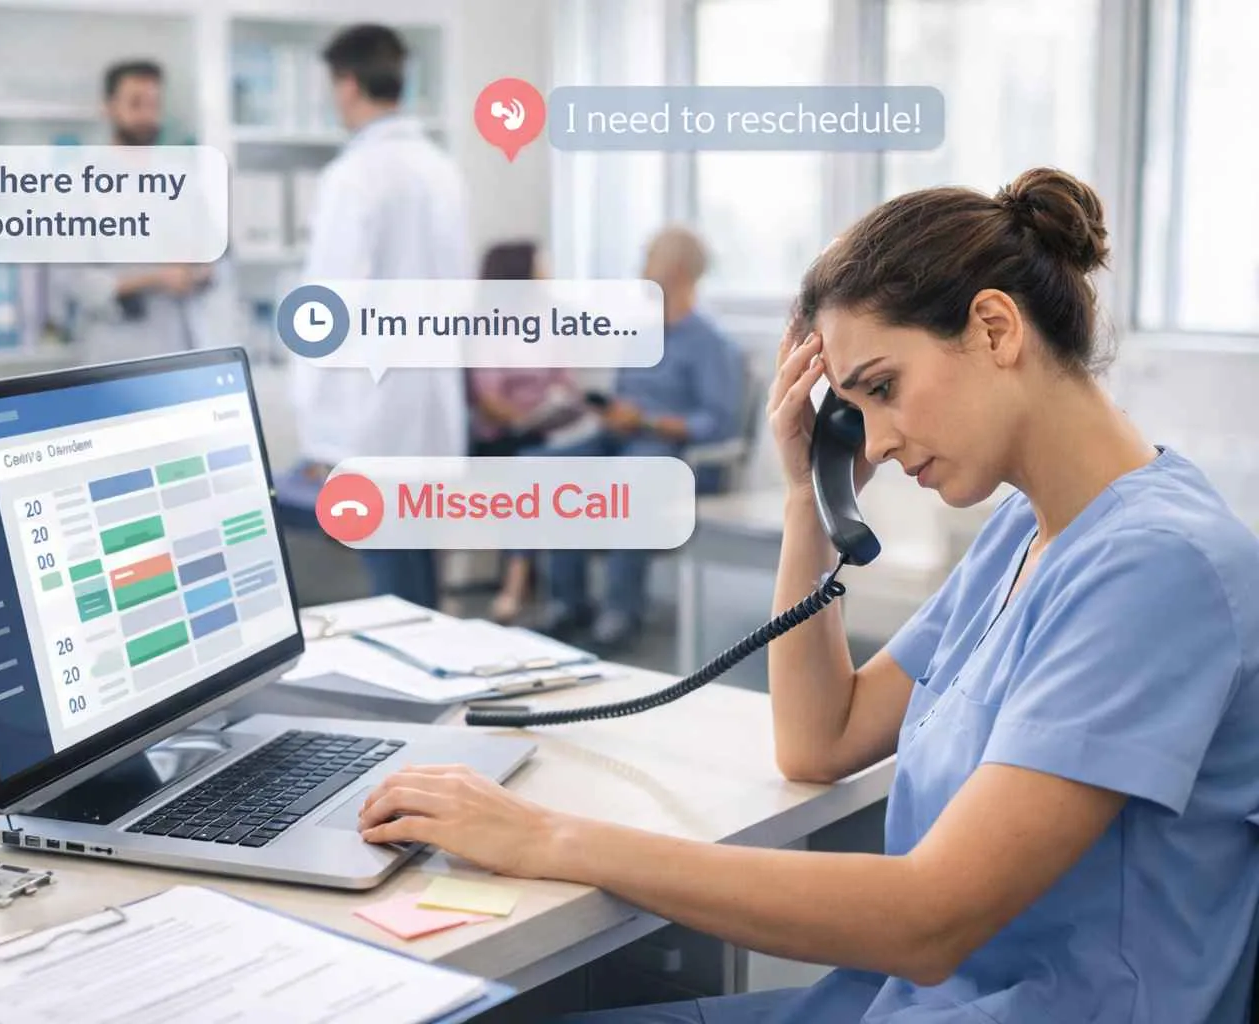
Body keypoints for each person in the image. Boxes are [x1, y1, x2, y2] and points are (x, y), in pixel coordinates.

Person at [354, 168, 1259, 1023]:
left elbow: (928, 917)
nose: (877, 439)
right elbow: (819, 739)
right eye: (851, 410)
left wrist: (547, 837)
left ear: (994, 330)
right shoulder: (1025, 534)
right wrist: (810, 500)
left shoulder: (1157, 568)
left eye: (883, 388)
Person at [284, 23, 472, 609]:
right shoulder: (441, 169)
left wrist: (314, 420)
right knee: (418, 564)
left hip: (369, 406)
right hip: (429, 398)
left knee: (385, 575)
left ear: (346, 85)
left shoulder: (353, 176)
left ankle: (414, 688)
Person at [537, 225, 745, 653]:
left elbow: (719, 424)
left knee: (631, 477)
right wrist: (610, 410)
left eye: (649, 256)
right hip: (623, 438)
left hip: (675, 455)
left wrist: (650, 421)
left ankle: (621, 612)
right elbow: (624, 396)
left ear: (677, 269)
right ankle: (568, 604)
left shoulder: (711, 343)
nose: (640, 267)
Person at [55, 59, 231, 363]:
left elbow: (216, 255)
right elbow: (72, 280)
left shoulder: (181, 178)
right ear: (108, 108)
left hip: (181, 345)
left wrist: (199, 272)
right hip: (116, 350)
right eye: (136, 104)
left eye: (154, 104)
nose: (147, 116)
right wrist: (156, 279)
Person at [467, 241, 583, 623]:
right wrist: (523, 416)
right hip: (496, 440)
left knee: (550, 466)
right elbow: (487, 398)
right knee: (530, 472)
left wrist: (559, 406)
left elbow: (566, 384)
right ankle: (518, 587)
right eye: (539, 269)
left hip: (541, 434)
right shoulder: (483, 326)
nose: (546, 276)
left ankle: (557, 599)